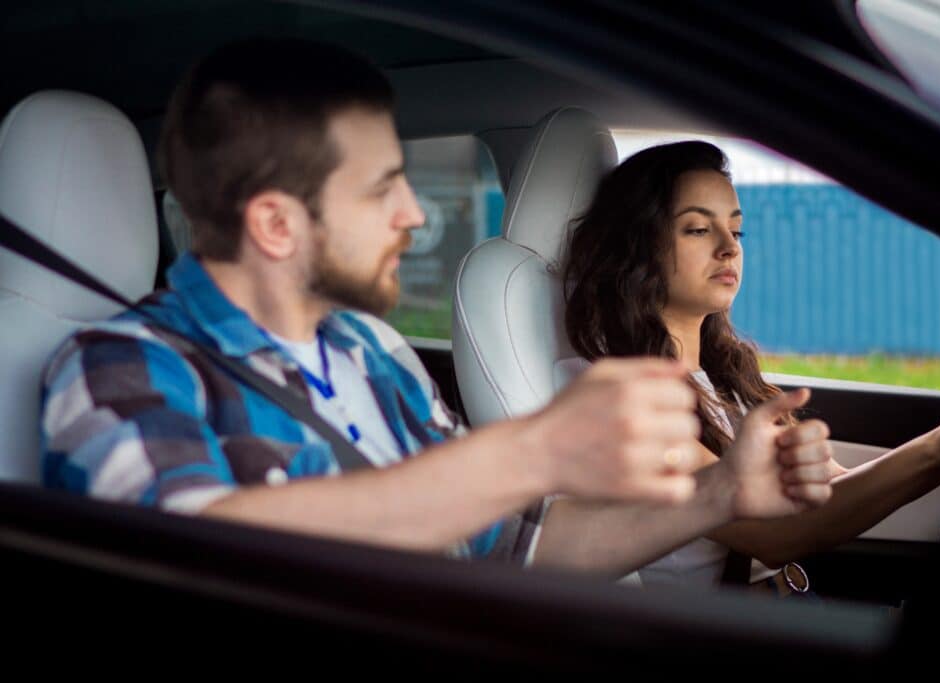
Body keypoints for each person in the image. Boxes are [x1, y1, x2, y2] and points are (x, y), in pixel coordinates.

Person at [39, 40, 834, 577]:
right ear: (277, 222)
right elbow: (206, 556)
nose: (414, 214)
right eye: (382, 186)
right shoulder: (119, 366)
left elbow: (523, 546)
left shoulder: (374, 355)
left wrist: (719, 496)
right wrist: (531, 452)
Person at [562, 140, 940, 588]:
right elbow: (778, 535)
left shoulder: (724, 378)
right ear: (638, 247)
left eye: (736, 229)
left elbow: (835, 489)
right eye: (699, 229)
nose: (729, 248)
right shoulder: (621, 399)